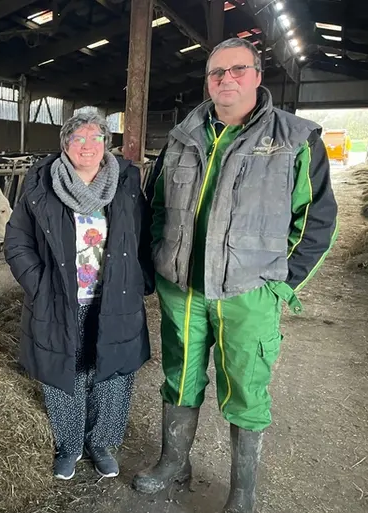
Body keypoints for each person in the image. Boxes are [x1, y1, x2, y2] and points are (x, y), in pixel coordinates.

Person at [132, 37, 339, 512]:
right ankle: (173, 462)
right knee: (178, 376)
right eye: (216, 72)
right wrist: (160, 265)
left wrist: (283, 283)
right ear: (207, 81)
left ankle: (242, 491)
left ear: (257, 76)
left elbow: (317, 220)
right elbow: (157, 208)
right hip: (183, 289)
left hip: (248, 292)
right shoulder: (182, 137)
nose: (226, 79)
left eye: (237, 69)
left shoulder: (295, 139)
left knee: (245, 386)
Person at [4, 112, 154, 480]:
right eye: (79, 139)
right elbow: (17, 240)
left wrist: (140, 280)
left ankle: (101, 443)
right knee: (64, 372)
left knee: (113, 373)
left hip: (115, 298)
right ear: (65, 145)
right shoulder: (42, 184)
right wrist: (40, 284)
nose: (88, 146)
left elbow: (148, 234)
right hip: (60, 300)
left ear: (107, 143)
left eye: (96, 137)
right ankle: (69, 446)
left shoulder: (126, 182)